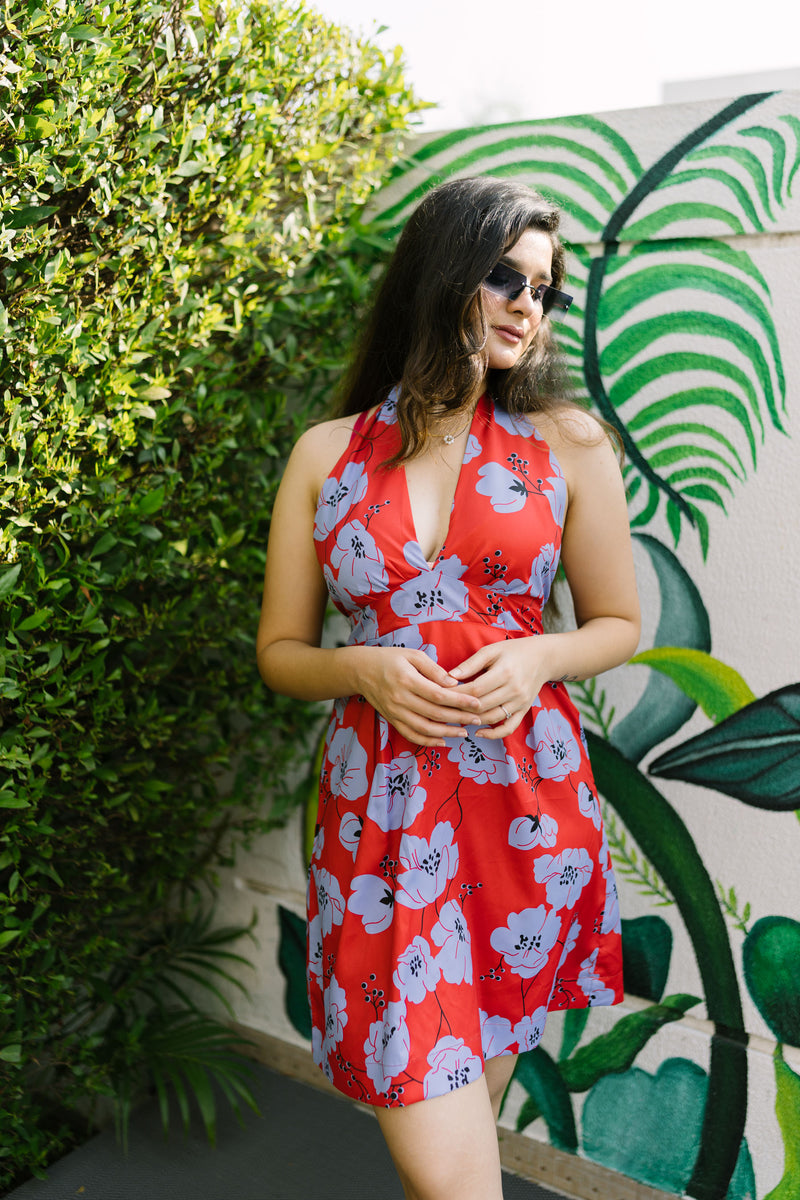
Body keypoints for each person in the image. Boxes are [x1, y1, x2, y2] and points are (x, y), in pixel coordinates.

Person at [257, 175, 640, 1200]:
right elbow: (281, 652)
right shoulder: (324, 457)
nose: (528, 305)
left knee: (465, 1121)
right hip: (377, 828)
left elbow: (616, 623)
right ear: (440, 276)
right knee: (449, 1168)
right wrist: (362, 668)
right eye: (503, 277)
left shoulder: (566, 442)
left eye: (545, 291)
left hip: (525, 820)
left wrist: (535, 655)